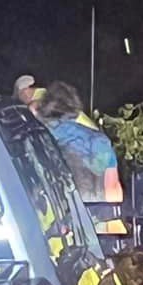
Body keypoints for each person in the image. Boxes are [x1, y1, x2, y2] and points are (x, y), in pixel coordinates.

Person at [35, 81, 125, 231]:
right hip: (93, 228)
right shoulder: (98, 141)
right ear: (75, 107)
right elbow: (112, 190)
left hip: (48, 229)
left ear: (45, 107)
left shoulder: (35, 138)